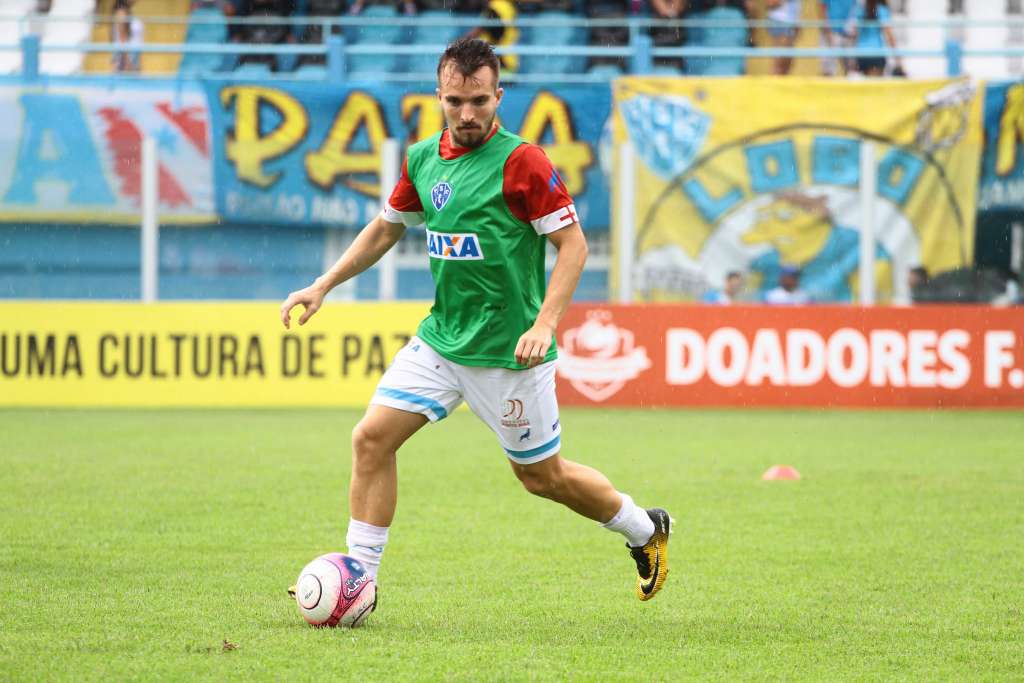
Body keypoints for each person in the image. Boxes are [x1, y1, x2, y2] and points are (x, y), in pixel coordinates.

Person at [281, 38, 672, 607]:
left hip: (511, 354)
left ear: (498, 97)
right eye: (456, 101)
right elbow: (386, 228)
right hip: (442, 340)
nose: (468, 114)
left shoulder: (523, 163)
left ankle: (644, 529)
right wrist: (322, 285)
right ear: (439, 95)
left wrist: (545, 324)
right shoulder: (422, 158)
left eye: (480, 102)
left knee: (544, 479)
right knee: (370, 439)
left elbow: (574, 246)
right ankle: (358, 577)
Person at [850, 0, 901, 77]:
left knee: (866, 87)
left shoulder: (859, 10)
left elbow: (853, 35)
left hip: (861, 54)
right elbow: (890, 37)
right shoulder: (882, 10)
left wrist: (852, 58)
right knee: (875, 86)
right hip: (877, 53)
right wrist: (898, 59)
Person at [112, 0, 144, 73]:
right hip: (126, 62)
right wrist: (127, 63)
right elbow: (122, 38)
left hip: (132, 59)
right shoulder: (121, 12)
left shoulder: (126, 11)